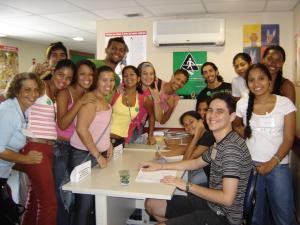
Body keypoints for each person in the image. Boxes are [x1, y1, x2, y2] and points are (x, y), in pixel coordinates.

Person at [142, 93, 252, 225]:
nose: (212, 115)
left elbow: (227, 199)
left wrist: (187, 185)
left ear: (232, 116)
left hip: (223, 217)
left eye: (220, 111)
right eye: (210, 110)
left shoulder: (231, 149)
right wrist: (160, 166)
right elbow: (195, 163)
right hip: (211, 204)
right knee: (152, 204)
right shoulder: (221, 142)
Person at [234, 63, 297, 225]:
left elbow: (289, 139)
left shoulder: (285, 104)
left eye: (261, 78)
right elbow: (236, 124)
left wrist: (272, 163)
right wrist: (245, 133)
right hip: (251, 167)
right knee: (255, 216)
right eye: (251, 80)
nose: (256, 84)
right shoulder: (242, 104)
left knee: (284, 216)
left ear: (270, 81)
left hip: (278, 166)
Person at [21, 59, 75, 225]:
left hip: (49, 148)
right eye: (60, 74)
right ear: (53, 72)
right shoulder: (41, 86)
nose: (63, 80)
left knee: (36, 198)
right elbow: (18, 91)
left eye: (68, 78)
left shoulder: (58, 94)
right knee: (49, 203)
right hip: (35, 146)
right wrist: (33, 73)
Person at [69, 65, 115, 225]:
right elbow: (82, 130)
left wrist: (108, 144)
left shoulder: (105, 100)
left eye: (111, 80)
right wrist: (97, 155)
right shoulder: (90, 100)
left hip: (97, 154)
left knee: (94, 201)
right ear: (96, 80)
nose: (108, 84)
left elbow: (103, 127)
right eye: (104, 80)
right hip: (84, 155)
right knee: (85, 203)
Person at [53, 59, 97, 225]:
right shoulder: (66, 92)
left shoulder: (87, 95)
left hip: (75, 148)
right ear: (76, 76)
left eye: (91, 74)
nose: (87, 78)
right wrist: (79, 103)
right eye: (83, 74)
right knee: (60, 193)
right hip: (60, 147)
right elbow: (63, 124)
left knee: (76, 193)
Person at [0, 73, 43, 223]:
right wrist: (25, 159)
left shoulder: (23, 111)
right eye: (27, 90)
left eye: (36, 90)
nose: (33, 94)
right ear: (17, 91)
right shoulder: (8, 111)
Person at [158, 110, 214, 185]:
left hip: (212, 174)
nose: (189, 126)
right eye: (185, 125)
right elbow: (185, 150)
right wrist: (163, 154)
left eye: (191, 122)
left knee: (191, 179)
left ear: (200, 121)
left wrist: (196, 136)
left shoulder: (208, 136)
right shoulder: (202, 135)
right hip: (203, 167)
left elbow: (186, 160)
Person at [110, 65, 155, 146]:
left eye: (132, 74)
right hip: (105, 139)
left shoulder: (143, 99)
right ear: (123, 79)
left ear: (138, 78)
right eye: (125, 76)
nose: (128, 77)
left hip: (122, 141)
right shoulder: (115, 94)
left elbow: (152, 115)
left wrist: (150, 135)